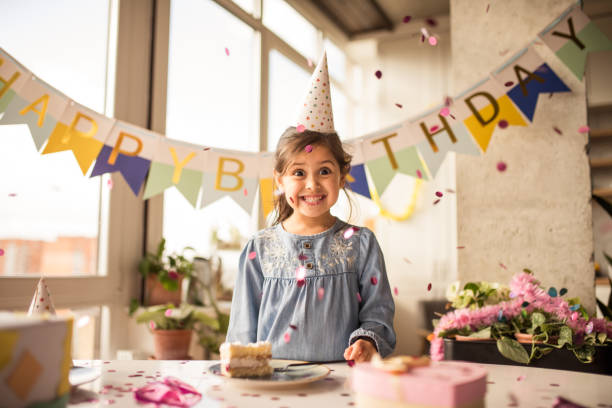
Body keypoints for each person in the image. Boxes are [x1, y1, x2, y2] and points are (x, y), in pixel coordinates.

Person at [225, 52, 395, 363]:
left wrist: (367, 343)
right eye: (299, 172)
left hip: (341, 383)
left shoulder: (362, 244)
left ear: (343, 177)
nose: (312, 185)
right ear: (280, 179)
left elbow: (378, 315)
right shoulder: (258, 249)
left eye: (325, 171)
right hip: (273, 385)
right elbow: (241, 331)